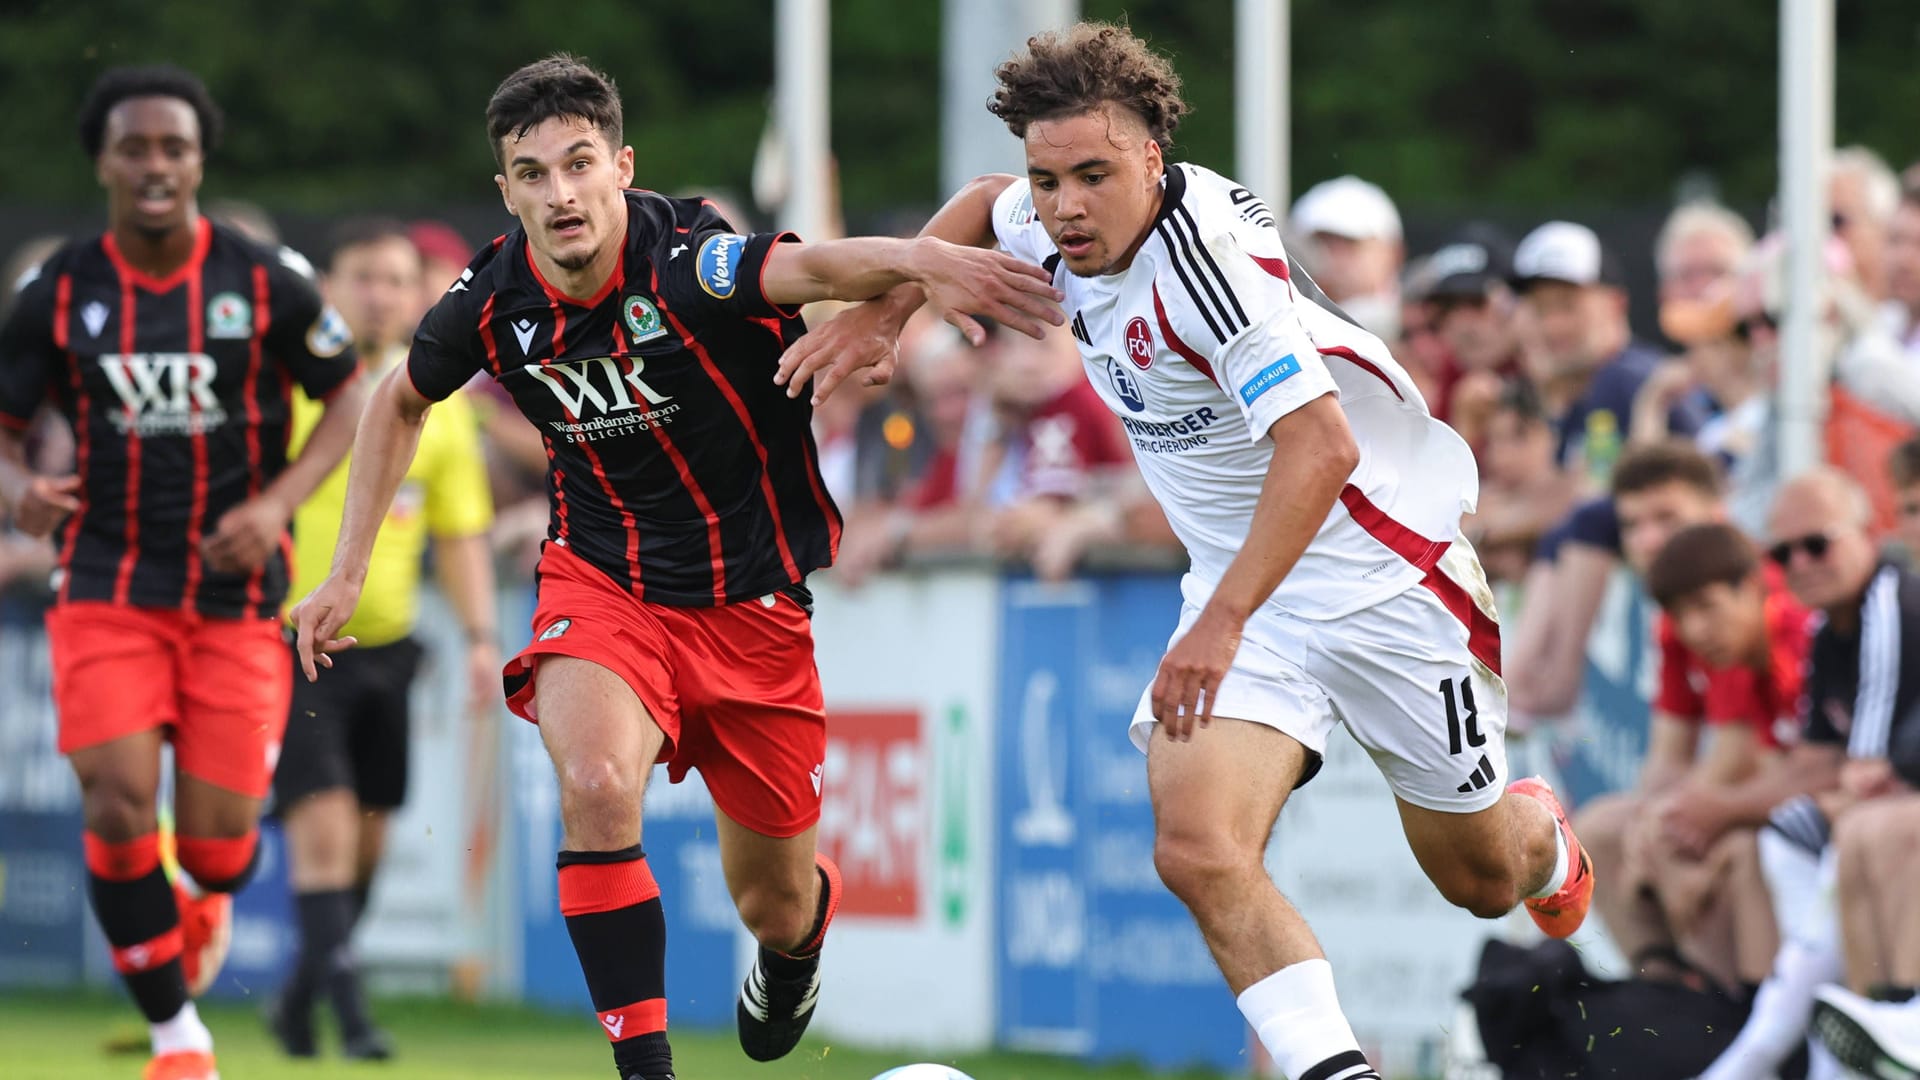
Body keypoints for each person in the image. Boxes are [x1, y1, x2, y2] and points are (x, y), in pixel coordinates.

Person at [780, 23, 1589, 1079]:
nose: (1066, 206)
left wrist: (1218, 622)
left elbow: (1320, 445)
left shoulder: (1204, 267)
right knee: (1197, 847)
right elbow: (983, 201)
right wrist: (892, 311)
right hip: (1248, 588)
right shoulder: (1050, 211)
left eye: (1094, 177)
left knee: (1482, 880)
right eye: (1051, 176)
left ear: (1153, 162)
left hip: (1385, 573)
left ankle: (1543, 836)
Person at [287, 54, 1062, 1080]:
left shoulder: (687, 259)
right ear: (507, 191)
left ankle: (795, 953)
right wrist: (345, 570)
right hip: (601, 583)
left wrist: (925, 265)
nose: (560, 194)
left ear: (621, 167)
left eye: (579, 165)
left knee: (774, 905)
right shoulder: (489, 299)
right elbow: (397, 400)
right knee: (601, 785)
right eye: (533, 174)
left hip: (753, 607)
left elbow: (820, 269)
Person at [0, 66, 367, 1080]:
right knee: (116, 799)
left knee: (218, 848)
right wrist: (14, 490)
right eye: (135, 148)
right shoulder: (62, 291)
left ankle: (203, 898)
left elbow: (350, 399)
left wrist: (277, 504)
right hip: (107, 584)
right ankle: (179, 1038)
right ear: (105, 162)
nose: (156, 165)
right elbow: (5, 426)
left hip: (234, 600)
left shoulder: (265, 282)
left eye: (174, 148)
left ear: (199, 160)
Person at [264, 218, 499, 1061]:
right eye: (363, 277)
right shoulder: (293, 392)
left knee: (367, 839)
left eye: (398, 280)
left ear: (418, 296)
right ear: (330, 288)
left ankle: (297, 999)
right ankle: (353, 1016)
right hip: (292, 643)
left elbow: (461, 532)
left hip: (391, 648)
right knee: (322, 828)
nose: (380, 295)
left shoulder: (442, 404)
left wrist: (480, 637)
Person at [1582, 522, 1811, 994]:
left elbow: (1754, 767)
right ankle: (1666, 995)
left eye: (1665, 515)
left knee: (1734, 855)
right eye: (1629, 523)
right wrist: (1653, 824)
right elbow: (1672, 754)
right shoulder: (1715, 638)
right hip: (1798, 813)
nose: (1695, 629)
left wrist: (1677, 830)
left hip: (1839, 817)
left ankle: (1731, 1017)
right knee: (1602, 832)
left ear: (1751, 585)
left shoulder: (1791, 632)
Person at [1288, 175, 1403, 340]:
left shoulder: (1424, 330)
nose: (1333, 256)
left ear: (1394, 253)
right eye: (1320, 242)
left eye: (1350, 243)